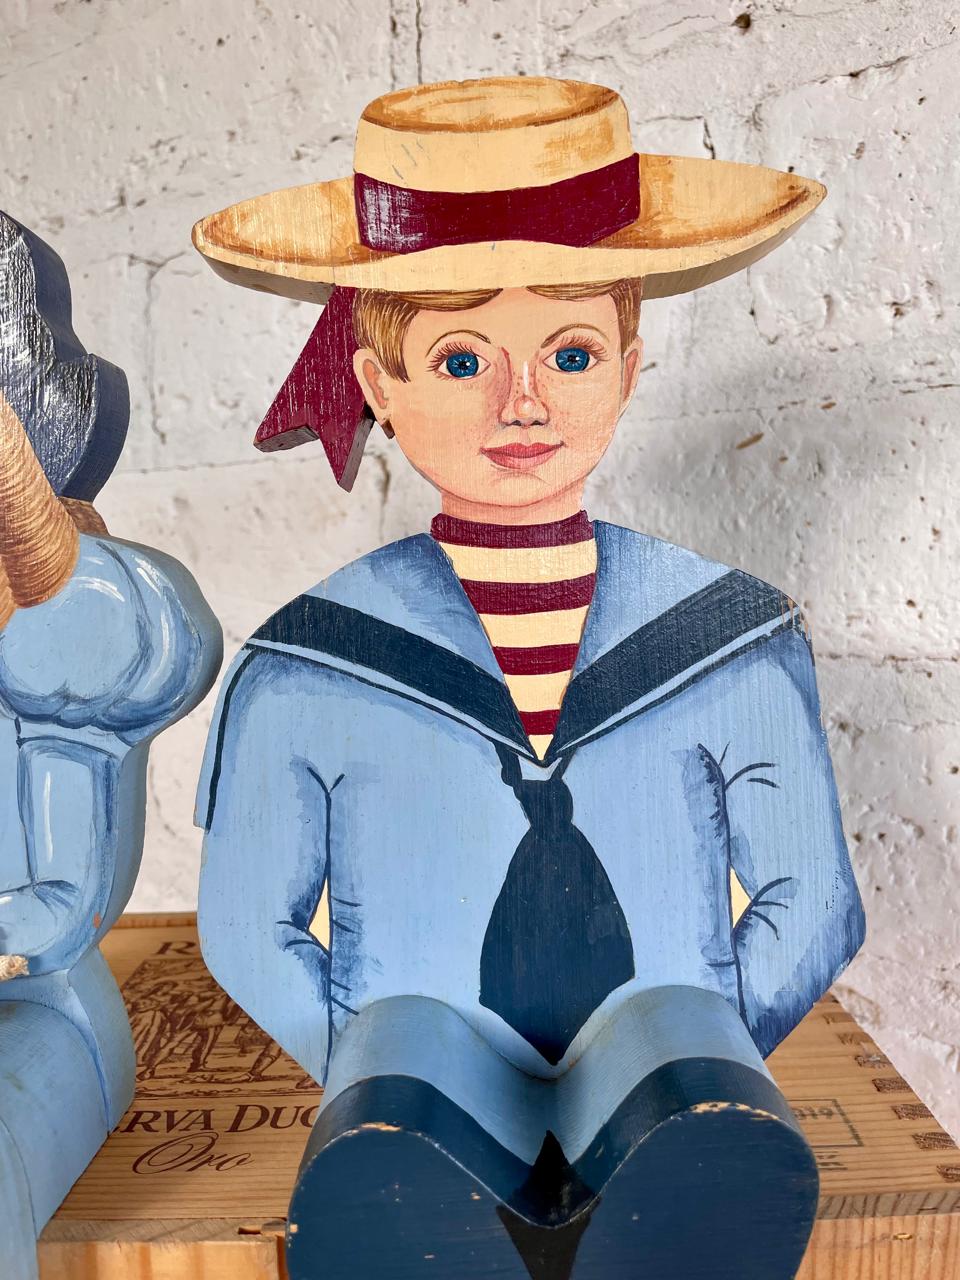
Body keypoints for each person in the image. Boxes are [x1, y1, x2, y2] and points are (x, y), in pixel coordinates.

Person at [193, 76, 865, 1279]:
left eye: (571, 350)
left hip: (672, 1092)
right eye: (460, 359)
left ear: (630, 363)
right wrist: (364, 1063)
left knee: (691, 1100)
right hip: (417, 1107)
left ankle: (678, 1114)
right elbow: (249, 925)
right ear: (378, 383)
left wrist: (707, 1038)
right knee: (400, 1121)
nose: (524, 403)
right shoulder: (305, 663)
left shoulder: (734, 634)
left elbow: (812, 897)